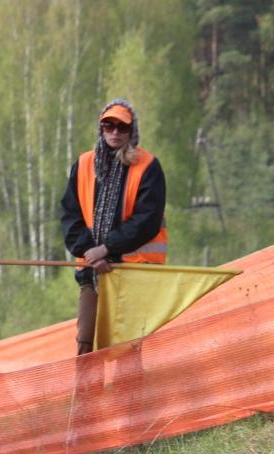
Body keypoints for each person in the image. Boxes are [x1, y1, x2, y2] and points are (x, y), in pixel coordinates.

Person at [59, 99, 167, 356]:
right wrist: (91, 254)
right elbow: (70, 216)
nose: (115, 132)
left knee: (128, 348)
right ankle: (86, 386)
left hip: (133, 273)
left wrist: (107, 249)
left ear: (132, 131)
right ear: (101, 129)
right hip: (92, 272)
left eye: (122, 127)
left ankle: (128, 386)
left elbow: (147, 221)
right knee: (85, 343)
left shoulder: (148, 166)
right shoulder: (83, 164)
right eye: (109, 126)